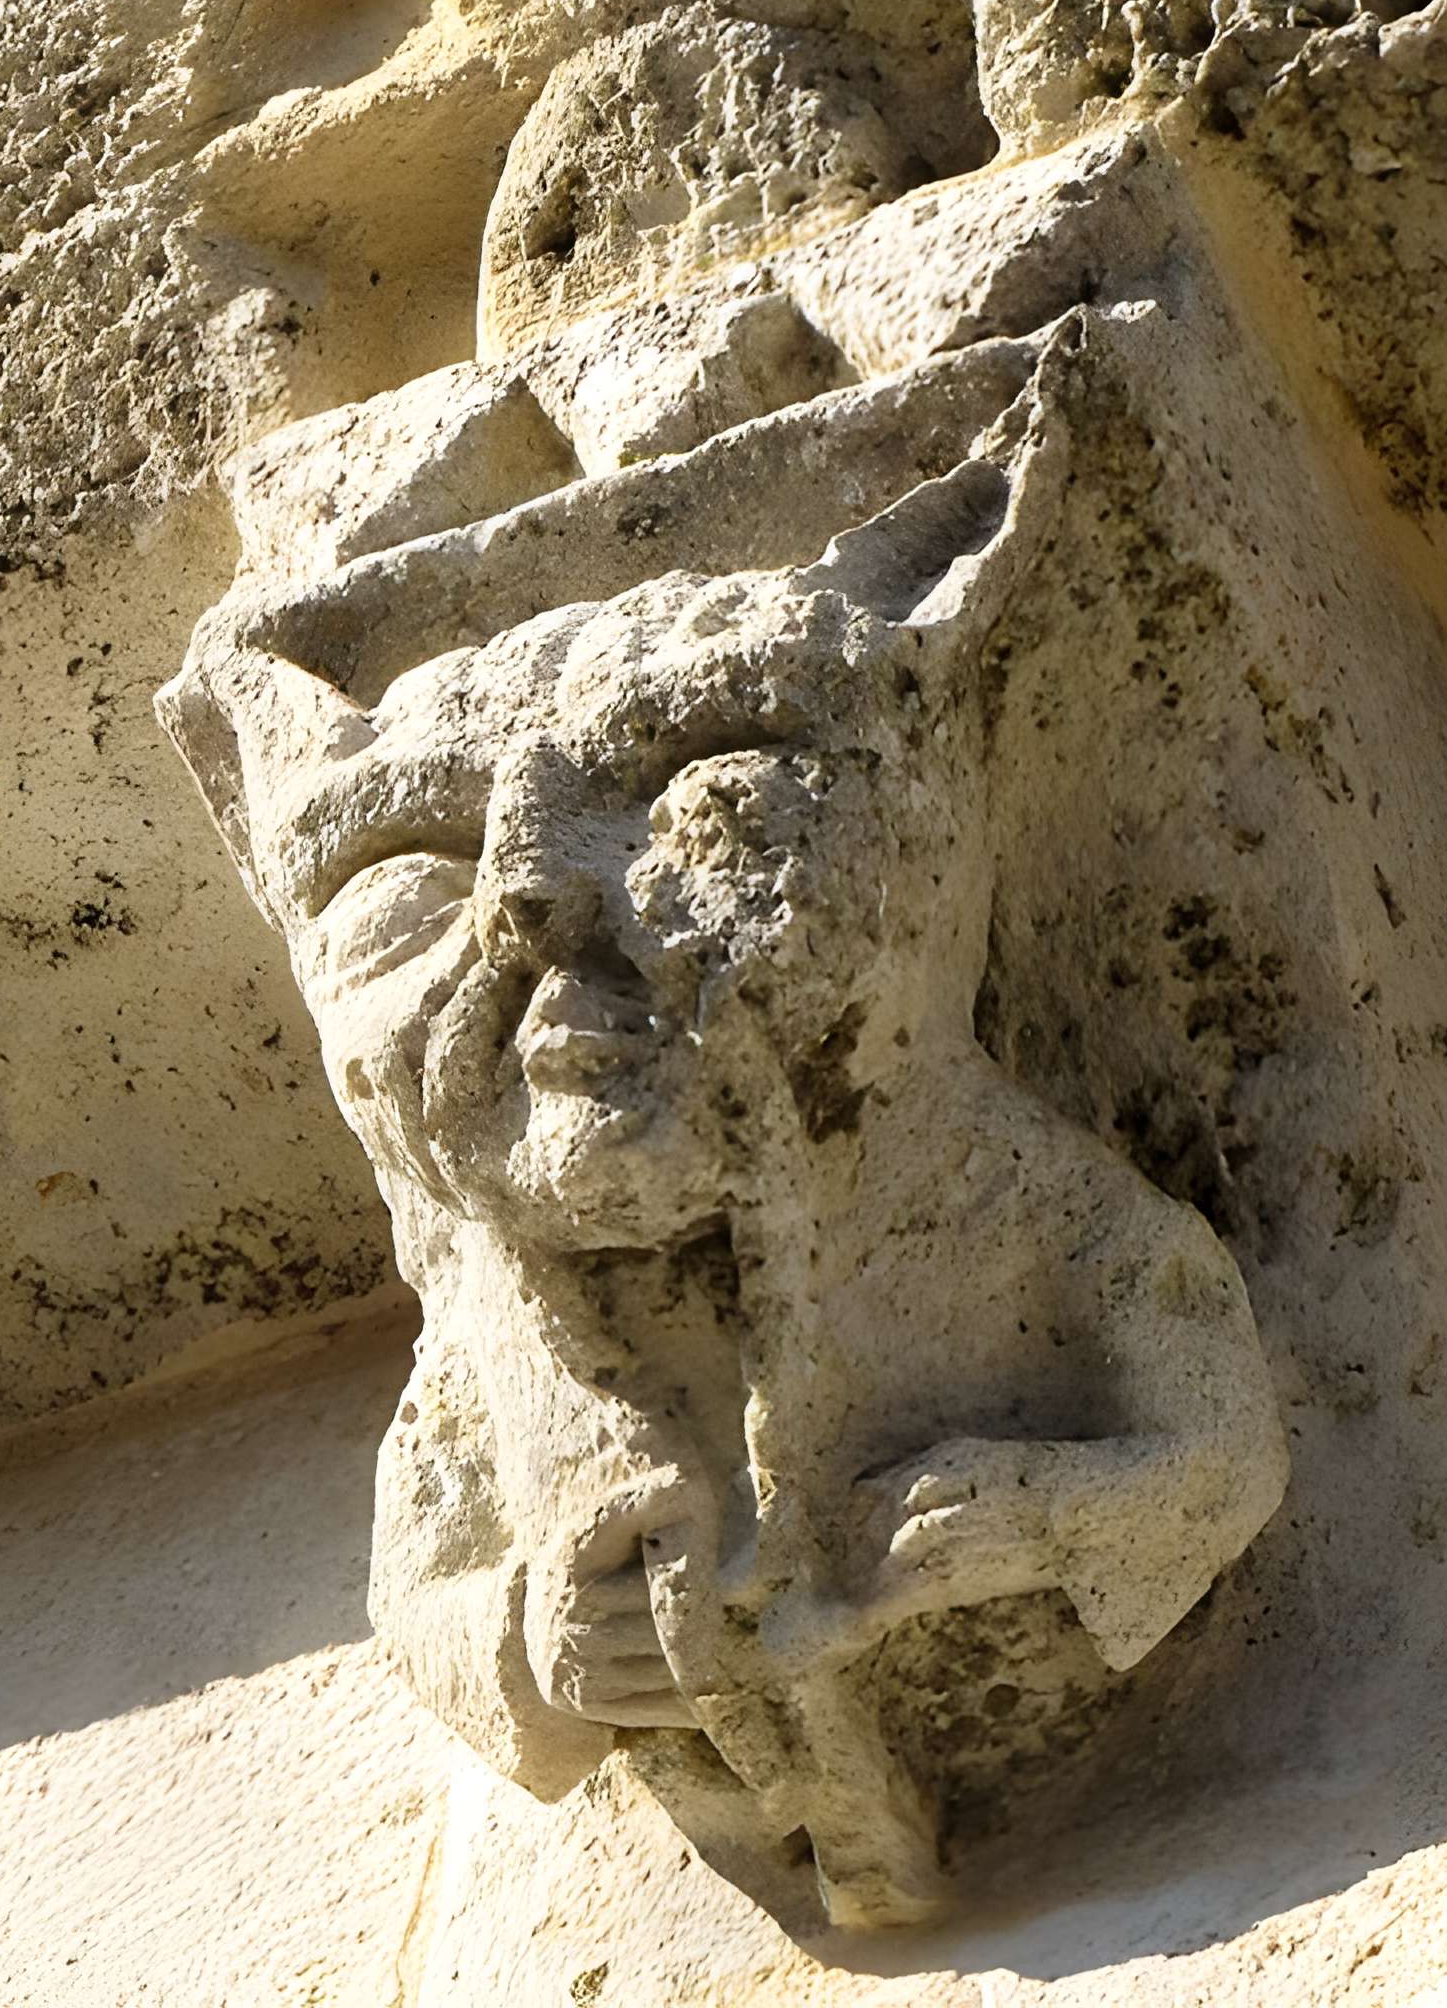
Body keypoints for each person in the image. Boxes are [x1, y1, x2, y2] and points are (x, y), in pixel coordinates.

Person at [163, 381, 1287, 1926]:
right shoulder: (497, 1325)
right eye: (405, 883)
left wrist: (1043, 1506)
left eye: (711, 793)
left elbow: (1219, 1443)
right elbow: (415, 1588)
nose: (532, 898)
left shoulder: (1004, 1201)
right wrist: (539, 1650)